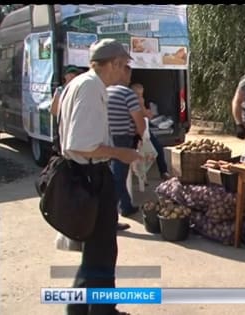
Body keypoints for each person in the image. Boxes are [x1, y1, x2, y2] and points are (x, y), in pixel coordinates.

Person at [58, 38, 140, 315]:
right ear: (114, 63)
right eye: (124, 66)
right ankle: (102, 312)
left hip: (85, 173)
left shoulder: (81, 84)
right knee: (102, 252)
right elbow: (80, 144)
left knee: (94, 252)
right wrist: (121, 153)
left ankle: (80, 310)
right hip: (91, 174)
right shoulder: (91, 87)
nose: (126, 72)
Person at [107, 65, 146, 219]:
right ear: (124, 74)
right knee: (119, 177)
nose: (130, 78)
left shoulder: (106, 91)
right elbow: (139, 120)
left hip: (107, 138)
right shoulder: (127, 94)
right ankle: (112, 216)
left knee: (115, 175)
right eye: (129, 74)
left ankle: (125, 206)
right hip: (122, 138)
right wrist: (144, 139)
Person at [131, 82, 171, 180]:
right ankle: (162, 172)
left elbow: (147, 115)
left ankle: (163, 171)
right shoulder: (131, 101)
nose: (139, 97)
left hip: (142, 130)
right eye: (137, 94)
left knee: (157, 148)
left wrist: (144, 110)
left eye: (141, 94)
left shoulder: (140, 101)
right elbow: (147, 115)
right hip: (134, 131)